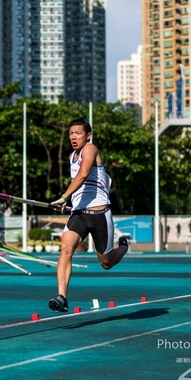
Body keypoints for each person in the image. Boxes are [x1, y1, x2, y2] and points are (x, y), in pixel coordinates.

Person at [47, 116, 128, 312]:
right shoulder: (70, 157)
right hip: (80, 214)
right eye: (71, 134)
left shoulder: (90, 149)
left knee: (106, 263)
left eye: (78, 133)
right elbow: (80, 186)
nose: (73, 137)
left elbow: (83, 175)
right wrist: (68, 203)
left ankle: (124, 247)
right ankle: (62, 297)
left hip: (100, 214)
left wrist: (64, 196)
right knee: (66, 248)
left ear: (88, 135)